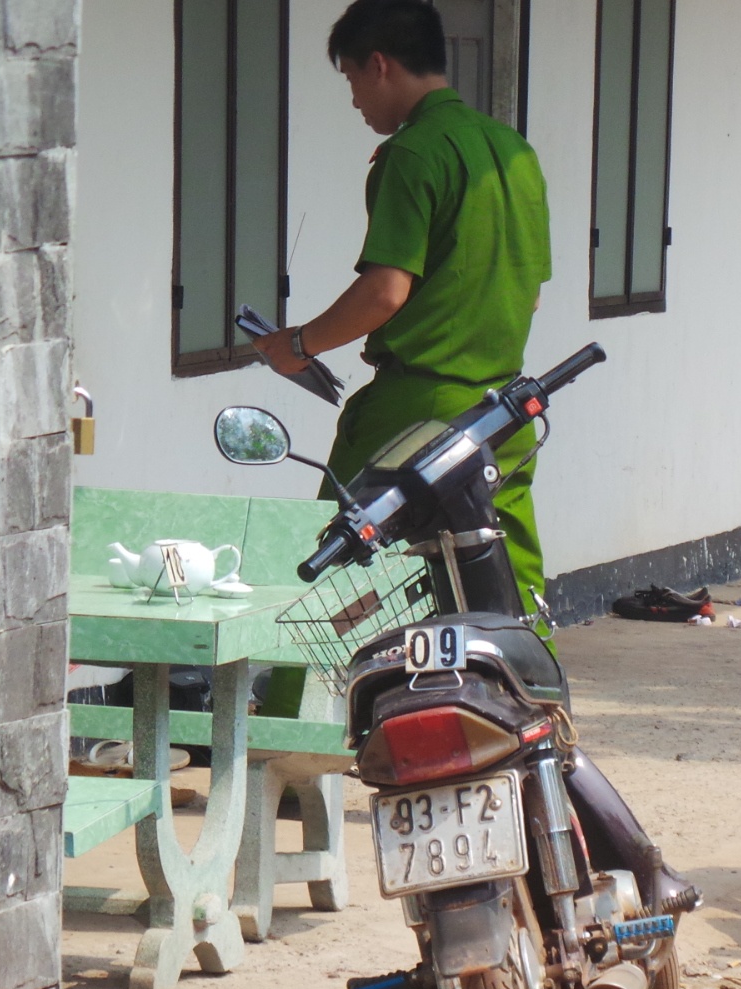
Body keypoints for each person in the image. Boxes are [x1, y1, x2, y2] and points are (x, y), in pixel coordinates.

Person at [256, 0, 552, 718]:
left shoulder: (415, 153)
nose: (355, 99)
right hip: (501, 407)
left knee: (341, 582)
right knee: (507, 577)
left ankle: (304, 748)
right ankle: (536, 718)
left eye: (353, 79)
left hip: (414, 411)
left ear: (381, 64)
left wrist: (296, 345)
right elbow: (530, 285)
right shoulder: (511, 152)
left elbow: (386, 291)